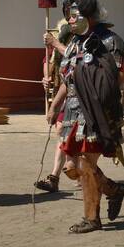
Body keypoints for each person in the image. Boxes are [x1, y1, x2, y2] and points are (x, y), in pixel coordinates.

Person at [46, 0, 124, 233]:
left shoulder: (109, 41)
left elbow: (119, 79)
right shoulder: (74, 42)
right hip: (71, 112)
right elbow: (67, 80)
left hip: (96, 112)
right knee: (72, 168)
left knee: (87, 165)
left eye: (74, 15)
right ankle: (114, 190)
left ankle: (91, 218)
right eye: (69, 15)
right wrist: (53, 107)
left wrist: (100, 96)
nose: (70, 20)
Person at [35, 18, 72, 193]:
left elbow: (74, 58)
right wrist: (46, 78)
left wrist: (55, 43)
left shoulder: (81, 43)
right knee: (61, 132)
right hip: (64, 92)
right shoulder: (56, 48)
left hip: (80, 95)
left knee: (71, 135)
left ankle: (80, 172)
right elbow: (48, 61)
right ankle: (55, 177)